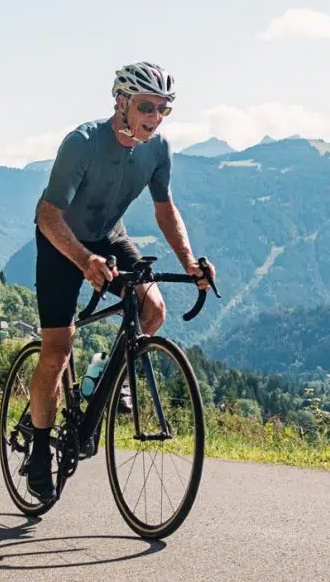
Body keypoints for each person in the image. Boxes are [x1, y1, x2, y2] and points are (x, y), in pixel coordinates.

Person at [24, 60, 211, 503]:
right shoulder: (82, 143)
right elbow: (48, 215)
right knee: (56, 348)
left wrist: (189, 262)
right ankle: (37, 450)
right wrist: (83, 258)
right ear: (121, 101)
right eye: (147, 105)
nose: (155, 116)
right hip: (61, 241)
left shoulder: (157, 148)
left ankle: (106, 376)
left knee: (154, 308)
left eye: (164, 109)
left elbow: (165, 209)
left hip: (109, 237)